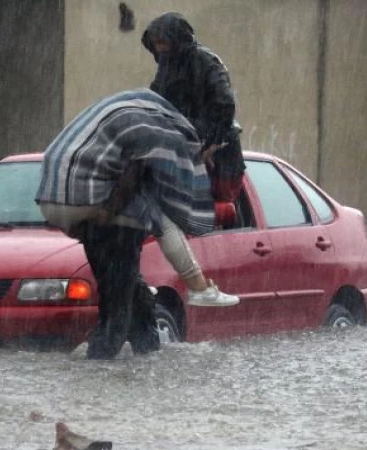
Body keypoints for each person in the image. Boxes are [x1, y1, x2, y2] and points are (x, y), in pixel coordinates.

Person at [36, 89, 226, 359]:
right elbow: (163, 224)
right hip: (105, 210)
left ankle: (146, 354)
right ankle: (99, 370)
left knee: (132, 294)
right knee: (117, 309)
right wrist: (107, 211)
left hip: (56, 193)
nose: (211, 162)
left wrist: (80, 222)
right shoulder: (166, 137)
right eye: (212, 154)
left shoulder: (143, 115)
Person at [141, 12, 246, 204]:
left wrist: (212, 145)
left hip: (216, 153)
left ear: (177, 39)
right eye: (156, 43)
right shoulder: (167, 66)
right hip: (181, 143)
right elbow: (155, 99)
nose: (159, 48)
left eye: (163, 42)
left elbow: (225, 104)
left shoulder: (206, 61)